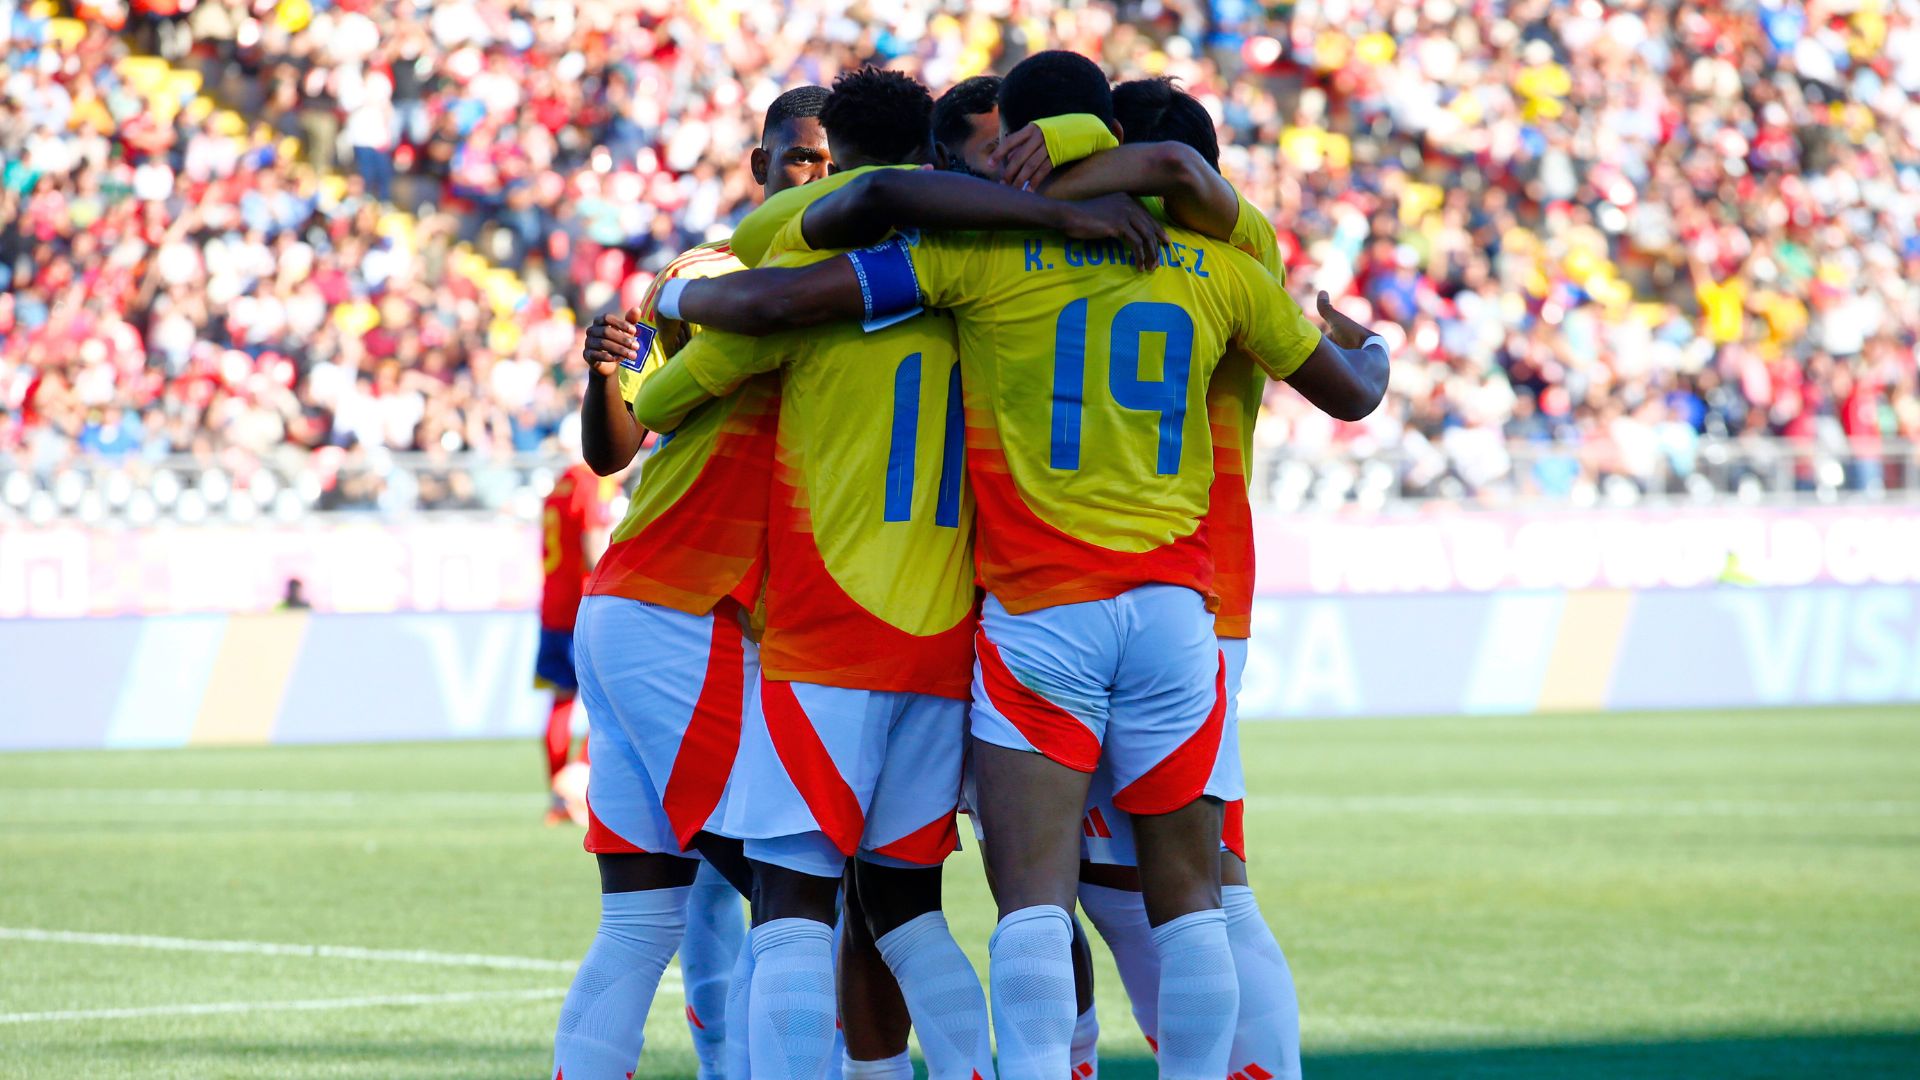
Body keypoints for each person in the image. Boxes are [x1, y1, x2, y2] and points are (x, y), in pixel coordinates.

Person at [656, 50, 1390, 1079]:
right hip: (1183, 611)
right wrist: (1374, 348)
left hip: (1040, 614)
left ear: (1023, 143)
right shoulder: (1228, 266)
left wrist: (679, 299)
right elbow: (1353, 391)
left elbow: (785, 298)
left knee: (1035, 901)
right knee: (1200, 897)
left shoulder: (979, 258)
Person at [624, 67, 1161, 1080]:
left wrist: (672, 299)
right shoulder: (976, 278)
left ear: (838, 158)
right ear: (930, 152)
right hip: (946, 643)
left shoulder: (802, 261)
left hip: (825, 628)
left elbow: (652, 403)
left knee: (792, 903)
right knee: (911, 910)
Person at [1025, 79, 1307, 1080]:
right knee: (1128, 880)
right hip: (1179, 587)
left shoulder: (1228, 249)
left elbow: (1172, 170)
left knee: (1192, 884)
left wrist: (1054, 178)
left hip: (1179, 584)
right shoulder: (1208, 260)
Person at [551, 85, 833, 1080]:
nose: (818, 174)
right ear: (760, 167)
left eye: (834, 160)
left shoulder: (817, 274)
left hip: (671, 606)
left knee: (649, 919)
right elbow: (612, 449)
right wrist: (604, 376)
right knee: (799, 897)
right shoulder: (714, 276)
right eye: (799, 157)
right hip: (695, 607)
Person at [534, 456, 615, 828]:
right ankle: (579, 786)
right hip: (583, 606)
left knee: (561, 701)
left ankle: (558, 796)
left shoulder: (559, 484)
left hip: (553, 607)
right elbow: (592, 544)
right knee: (607, 701)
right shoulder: (591, 482)